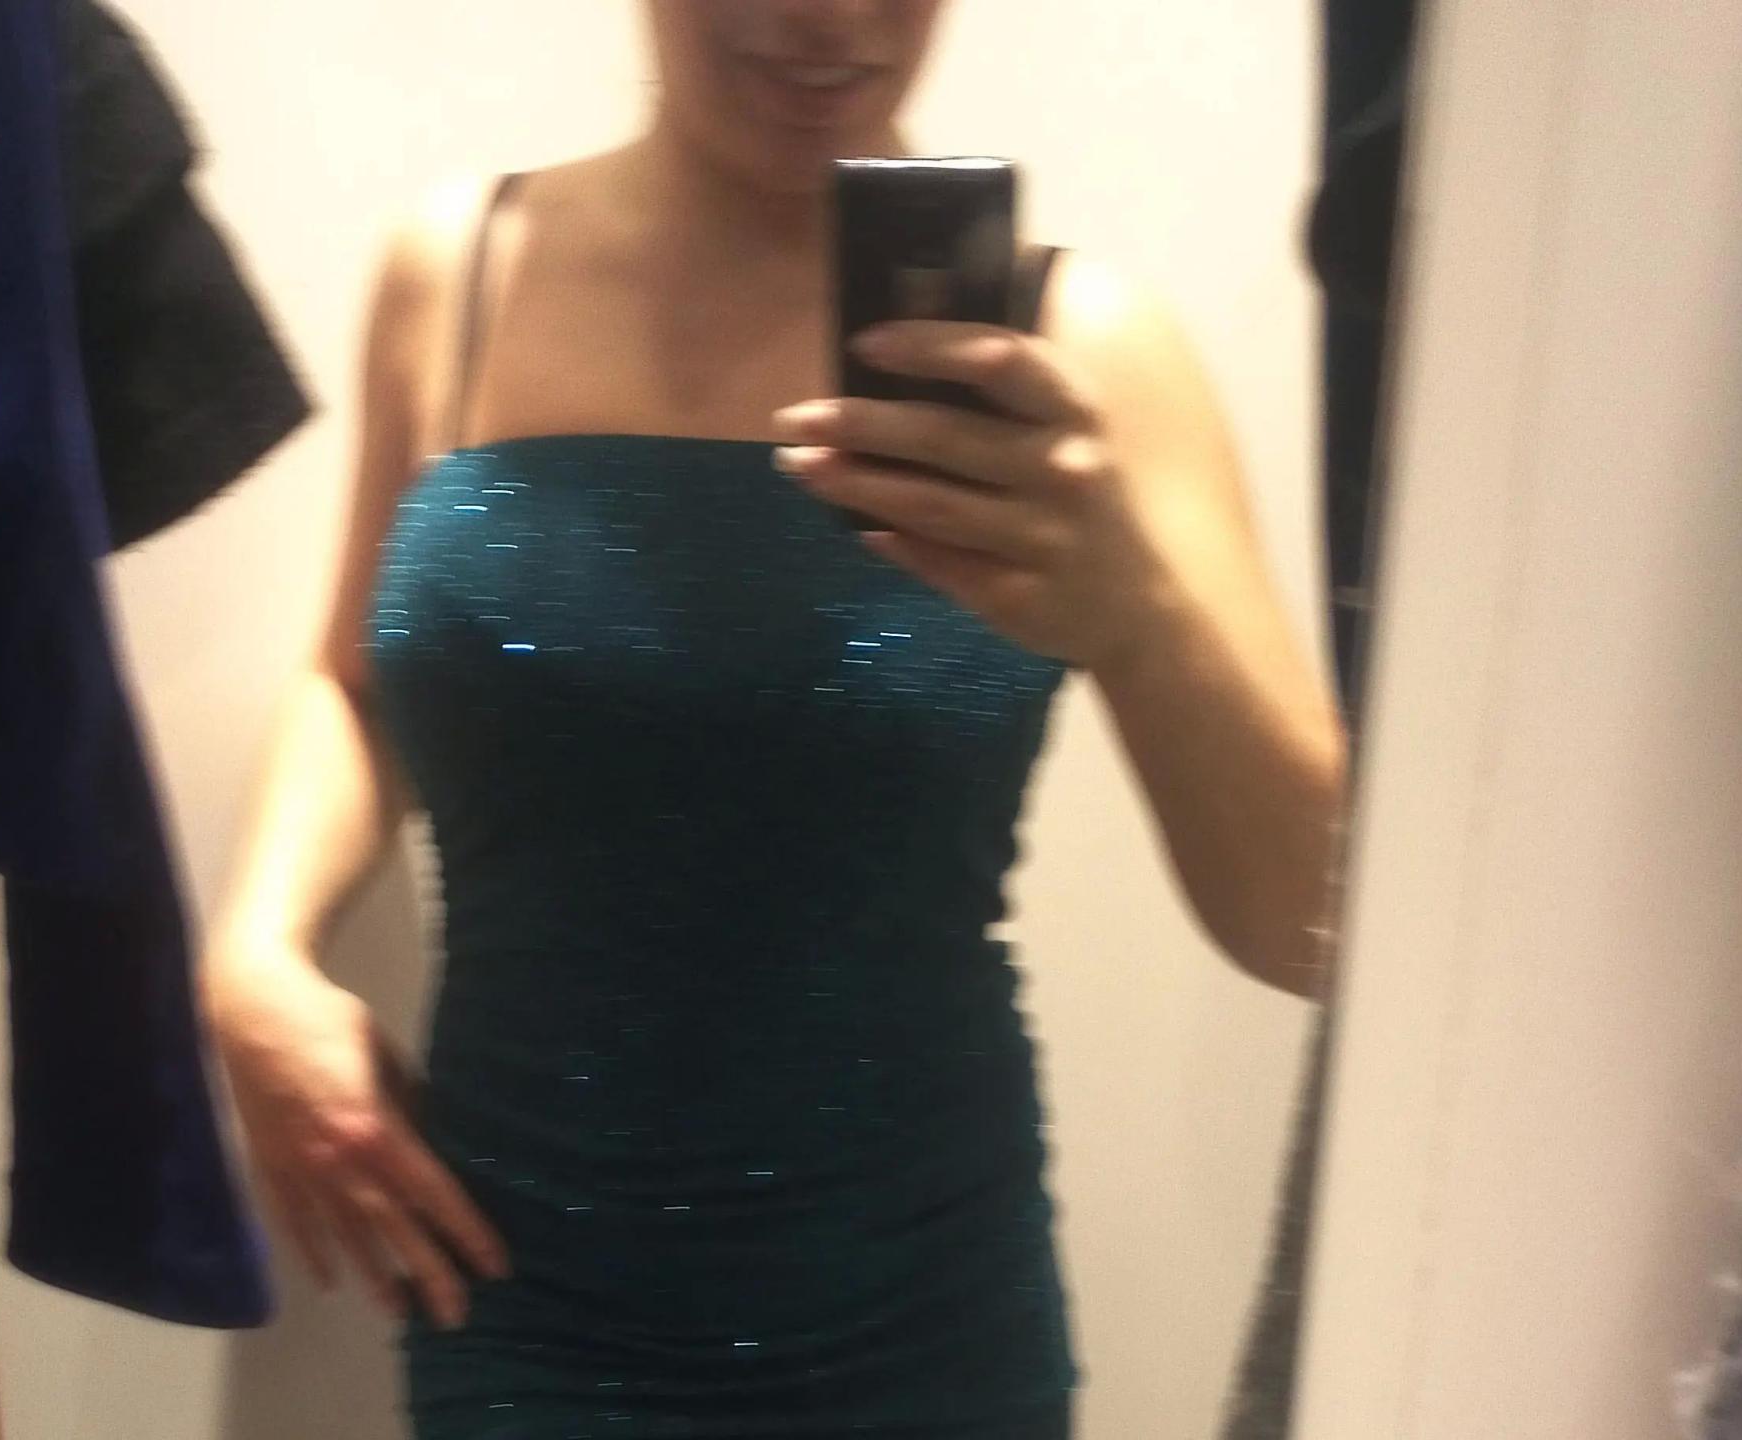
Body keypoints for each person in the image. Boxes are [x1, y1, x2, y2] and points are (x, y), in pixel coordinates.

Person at [203, 3, 1345, 1436]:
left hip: (915, 1332)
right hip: (521, 1306)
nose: (831, 20)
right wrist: (254, 957)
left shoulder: (1084, 350)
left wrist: (1141, 612)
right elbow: (355, 684)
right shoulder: (460, 273)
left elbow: (1312, 925)